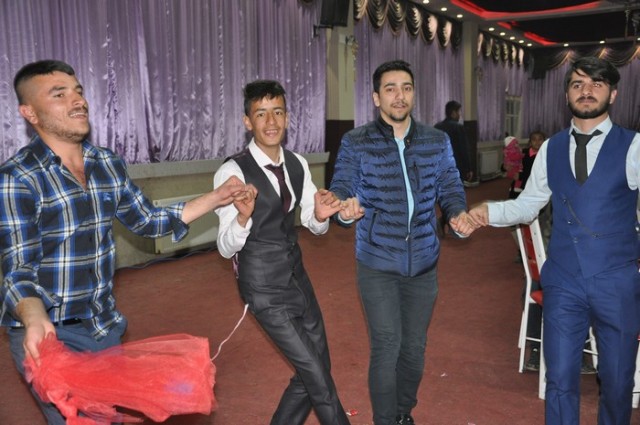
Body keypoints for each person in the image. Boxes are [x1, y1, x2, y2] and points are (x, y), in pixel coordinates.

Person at [0, 60, 254, 425]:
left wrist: (216, 198)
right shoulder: (17, 178)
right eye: (59, 94)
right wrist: (34, 317)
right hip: (51, 337)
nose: (78, 100)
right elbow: (18, 268)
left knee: (110, 416)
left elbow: (148, 220)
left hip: (104, 326)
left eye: (78, 91)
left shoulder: (107, 163)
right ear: (29, 113)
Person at [469, 56, 640, 425]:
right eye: (578, 84)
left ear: (613, 94)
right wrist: (488, 211)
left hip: (616, 280)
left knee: (617, 380)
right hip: (563, 280)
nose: (586, 91)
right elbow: (528, 204)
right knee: (559, 378)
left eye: (596, 84)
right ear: (566, 95)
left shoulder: (634, 146)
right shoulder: (550, 148)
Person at [330, 60, 476, 425]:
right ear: (376, 97)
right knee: (386, 345)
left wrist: (457, 214)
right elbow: (342, 186)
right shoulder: (356, 141)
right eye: (391, 89)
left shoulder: (436, 141)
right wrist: (343, 210)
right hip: (377, 261)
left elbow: (450, 186)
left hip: (424, 262)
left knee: (414, 348)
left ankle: (401, 413)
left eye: (406, 88)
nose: (400, 96)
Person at [212, 79, 351, 425]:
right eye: (261, 114)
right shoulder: (232, 172)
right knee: (317, 377)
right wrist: (242, 218)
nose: (271, 121)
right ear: (248, 122)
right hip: (263, 287)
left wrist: (321, 216)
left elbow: (312, 220)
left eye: (278, 112)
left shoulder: (297, 163)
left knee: (316, 366)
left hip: (297, 278)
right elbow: (225, 246)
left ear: (288, 117)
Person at [434, 100, 473, 184]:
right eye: (458, 112)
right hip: (456, 166)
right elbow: (464, 150)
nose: (459, 115)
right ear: (453, 113)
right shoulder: (458, 127)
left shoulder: (436, 127)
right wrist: (468, 168)